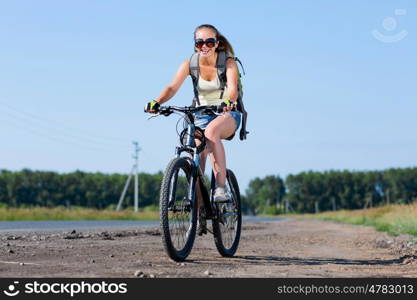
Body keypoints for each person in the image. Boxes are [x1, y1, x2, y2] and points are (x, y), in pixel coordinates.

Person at [145, 24, 241, 232]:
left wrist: (227, 101)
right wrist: (157, 101)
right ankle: (200, 210)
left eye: (209, 42)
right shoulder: (190, 64)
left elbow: (232, 89)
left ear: (217, 43)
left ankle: (221, 188)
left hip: (227, 114)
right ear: (195, 45)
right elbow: (172, 87)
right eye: (200, 43)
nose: (204, 46)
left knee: (211, 132)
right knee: (195, 158)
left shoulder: (228, 63)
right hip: (200, 115)